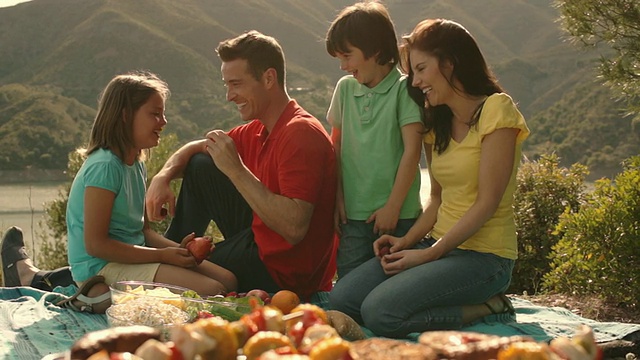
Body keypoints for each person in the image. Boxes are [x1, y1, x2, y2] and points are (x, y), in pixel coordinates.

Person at [329, 19, 531, 338]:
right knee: (342, 300)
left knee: (381, 313)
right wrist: (405, 242)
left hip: (484, 257)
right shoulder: (437, 120)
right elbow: (436, 199)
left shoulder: (497, 111)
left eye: (421, 69)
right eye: (412, 72)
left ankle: (489, 305)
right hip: (437, 246)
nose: (416, 81)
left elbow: (486, 203)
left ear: (449, 63)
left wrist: (428, 254)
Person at [2, 72, 238, 314]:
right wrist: (163, 257)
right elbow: (96, 245)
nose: (164, 121)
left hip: (127, 260)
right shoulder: (105, 166)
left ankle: (105, 297)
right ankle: (93, 293)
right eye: (155, 114)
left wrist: (177, 250)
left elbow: (143, 232)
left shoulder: (136, 163)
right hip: (101, 266)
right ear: (125, 115)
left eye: (163, 114)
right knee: (213, 291)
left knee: (229, 281)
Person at [145, 31, 338, 301]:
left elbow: (294, 229)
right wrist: (162, 178)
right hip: (260, 239)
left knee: (183, 270)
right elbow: (196, 148)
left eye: (236, 84)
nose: (229, 96)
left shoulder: (300, 133)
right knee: (201, 164)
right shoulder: (261, 128)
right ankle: (170, 249)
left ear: (269, 78)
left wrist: (236, 169)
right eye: (227, 85)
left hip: (284, 272)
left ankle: (163, 262)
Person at [325, 1, 424, 279]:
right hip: (354, 218)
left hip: (399, 216)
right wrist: (338, 198)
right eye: (340, 59)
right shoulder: (344, 90)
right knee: (347, 290)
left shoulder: (404, 89)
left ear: (375, 50)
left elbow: (412, 152)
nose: (344, 66)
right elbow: (336, 146)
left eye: (348, 56)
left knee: (394, 288)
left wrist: (393, 206)